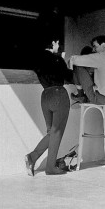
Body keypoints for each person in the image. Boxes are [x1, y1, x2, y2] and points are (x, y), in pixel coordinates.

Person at [25, 37, 72, 176]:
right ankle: (50, 167)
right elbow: (68, 76)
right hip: (58, 94)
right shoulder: (56, 59)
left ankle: (32, 157)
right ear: (53, 44)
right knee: (56, 133)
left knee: (52, 132)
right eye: (57, 42)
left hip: (45, 95)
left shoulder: (38, 60)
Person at [69, 35, 105, 106]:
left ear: (103, 45)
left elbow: (74, 60)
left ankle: (80, 96)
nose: (93, 50)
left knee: (78, 67)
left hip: (100, 99)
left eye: (95, 46)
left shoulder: (101, 56)